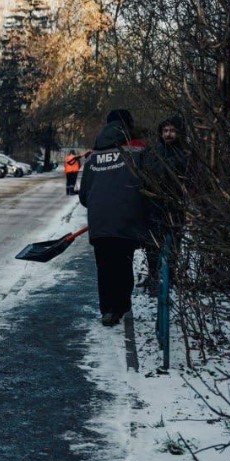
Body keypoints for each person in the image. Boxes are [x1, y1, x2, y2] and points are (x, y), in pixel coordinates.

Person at [79, 109, 148, 326]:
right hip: (127, 218)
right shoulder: (137, 152)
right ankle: (122, 306)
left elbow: (83, 196)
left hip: (99, 222)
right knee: (123, 264)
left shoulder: (92, 158)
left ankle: (108, 311)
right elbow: (147, 187)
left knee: (105, 266)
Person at [141, 114, 189, 294]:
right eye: (165, 131)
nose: (168, 134)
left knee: (174, 242)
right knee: (153, 244)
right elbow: (149, 172)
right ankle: (153, 275)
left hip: (175, 206)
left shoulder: (185, 152)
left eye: (172, 131)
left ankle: (172, 275)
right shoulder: (154, 151)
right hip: (154, 204)